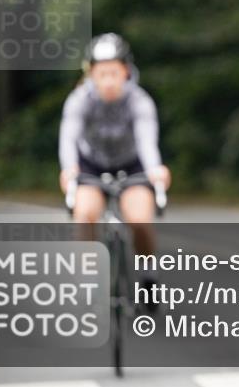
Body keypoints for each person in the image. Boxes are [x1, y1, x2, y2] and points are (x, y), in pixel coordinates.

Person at [59, 33, 171, 287]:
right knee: (85, 213)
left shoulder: (139, 101)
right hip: (92, 165)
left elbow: (146, 141)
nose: (108, 80)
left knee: (140, 219)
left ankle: (148, 275)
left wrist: (155, 169)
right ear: (91, 74)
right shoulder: (79, 100)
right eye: (102, 73)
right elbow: (68, 137)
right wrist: (69, 169)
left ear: (126, 71)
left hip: (132, 165)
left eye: (114, 72)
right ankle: (86, 279)